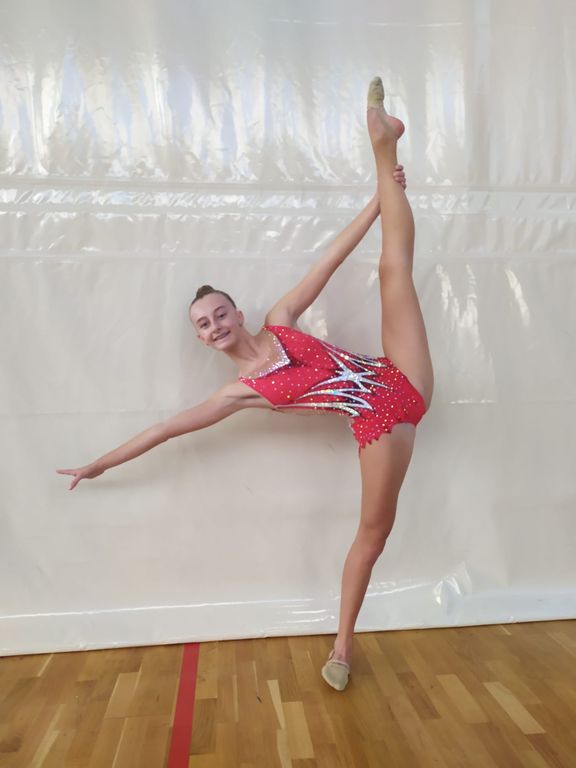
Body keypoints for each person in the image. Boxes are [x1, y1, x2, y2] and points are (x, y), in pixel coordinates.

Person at [57, 77, 434, 692]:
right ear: (203, 339)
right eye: (204, 325)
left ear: (237, 312)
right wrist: (99, 464)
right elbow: (165, 430)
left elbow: (329, 260)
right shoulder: (238, 394)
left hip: (401, 374)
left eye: (220, 314)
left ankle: (382, 145)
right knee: (372, 535)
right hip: (379, 422)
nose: (215, 326)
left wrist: (380, 196)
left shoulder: (282, 318)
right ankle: (342, 648)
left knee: (395, 269)